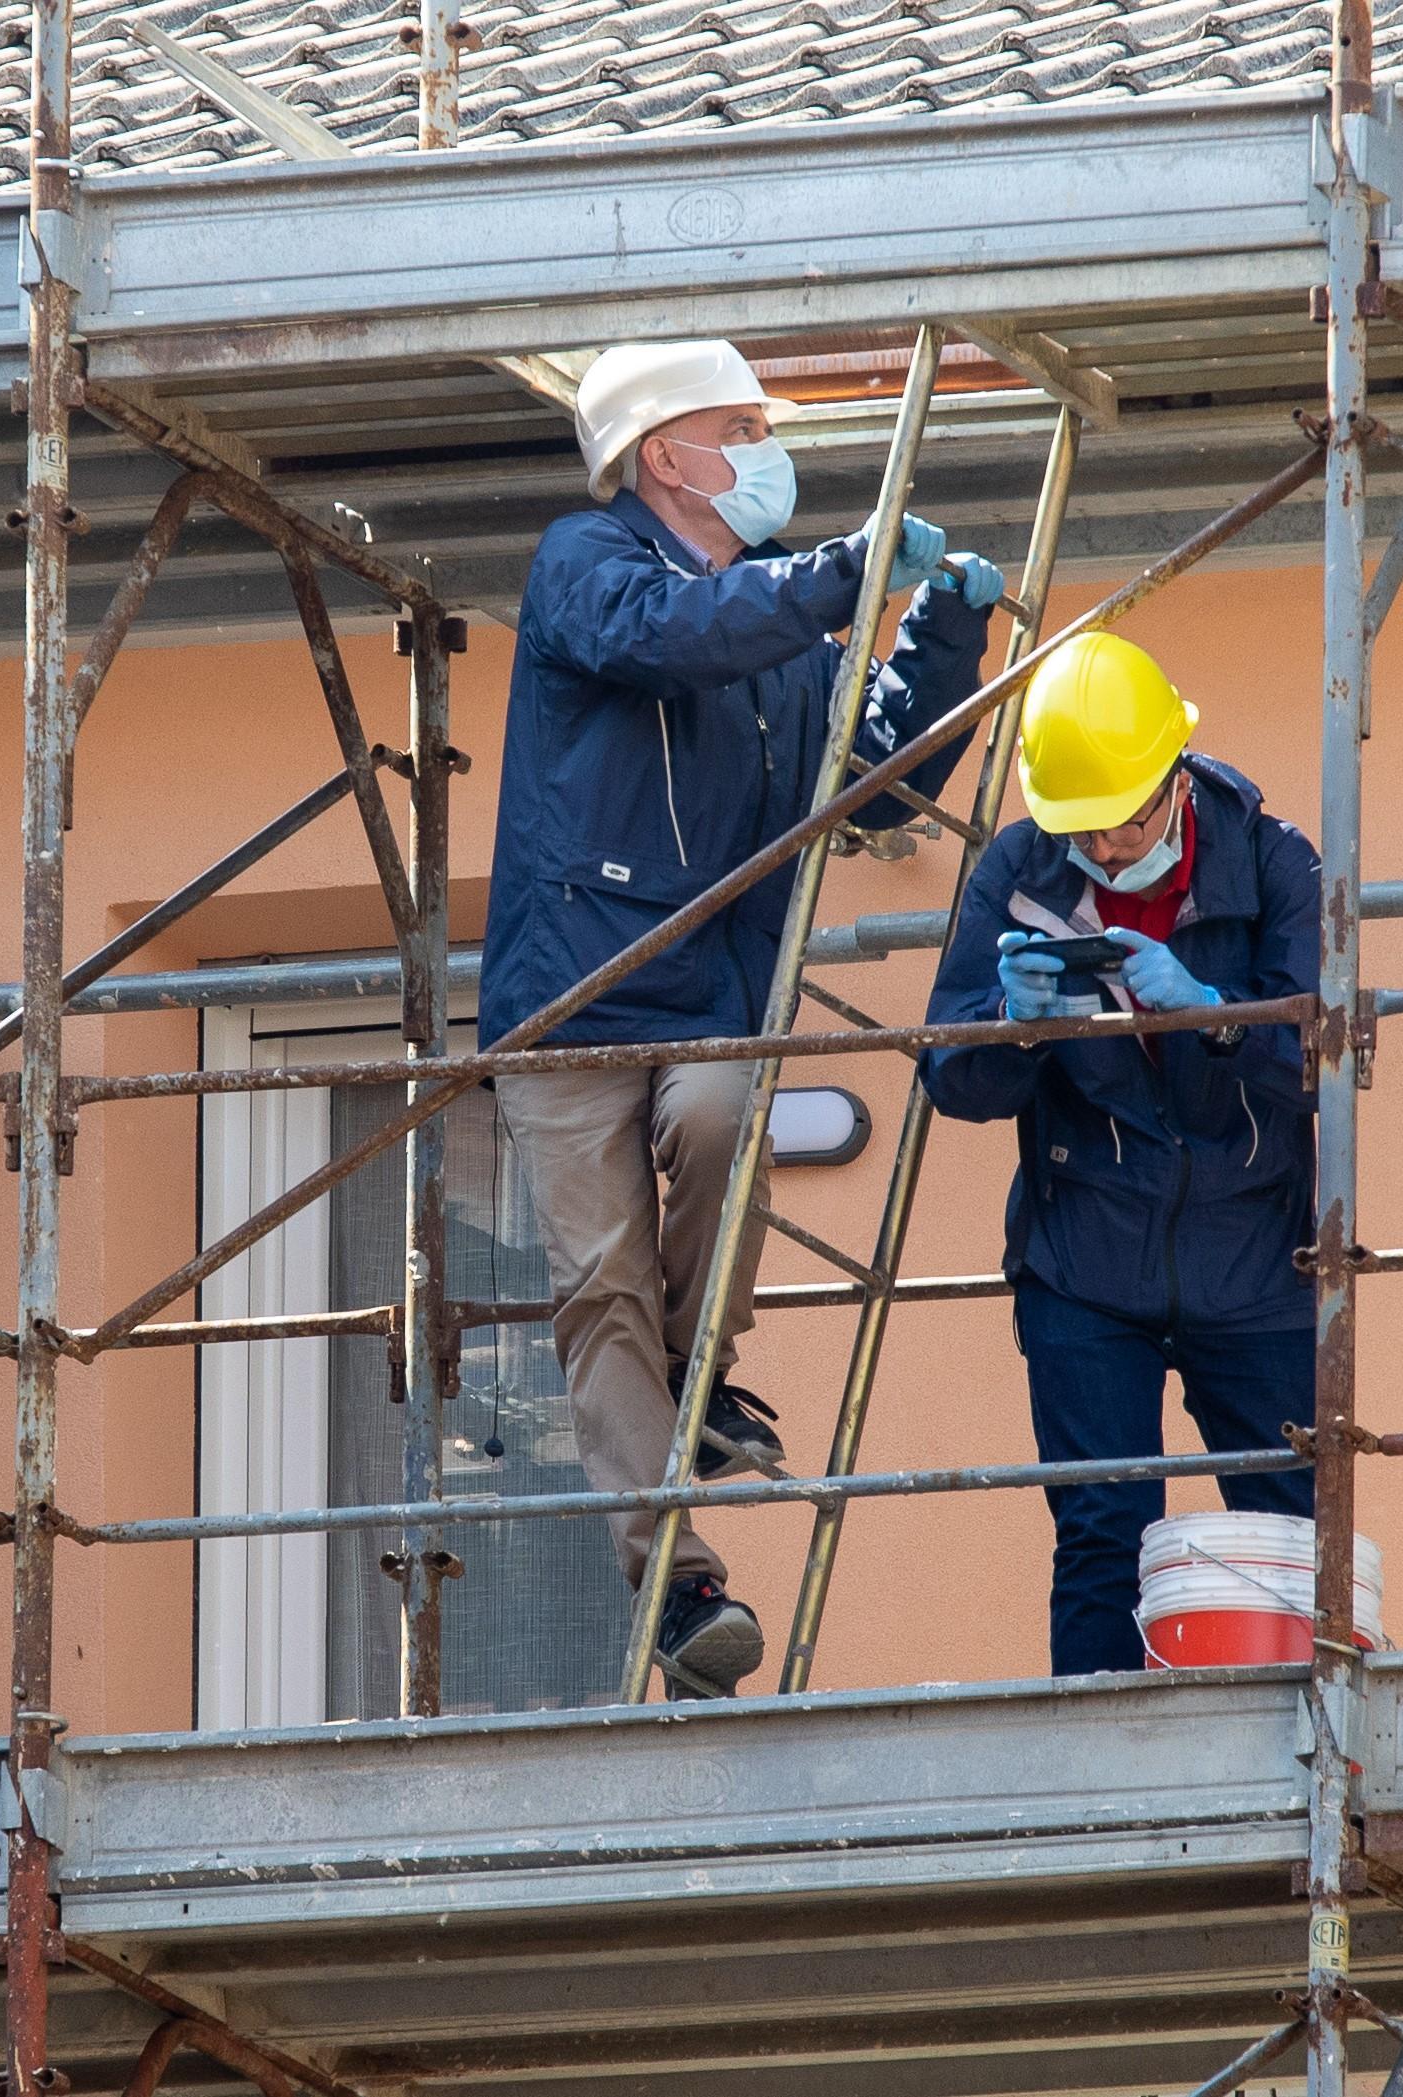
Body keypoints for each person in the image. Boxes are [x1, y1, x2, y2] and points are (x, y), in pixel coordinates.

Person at [480, 339, 1003, 1698]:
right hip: (571, 998)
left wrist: (939, 635)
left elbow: (872, 783)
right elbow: (663, 640)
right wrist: (835, 577)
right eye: (740, 425)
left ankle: (698, 1375)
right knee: (598, 1291)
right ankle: (675, 1581)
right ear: (664, 454)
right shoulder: (586, 563)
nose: (768, 447)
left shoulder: (781, 628)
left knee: (720, 1116)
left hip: (708, 987)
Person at [921, 632, 1322, 1676]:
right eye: (1079, 832)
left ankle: (1299, 1757)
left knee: (1292, 1528)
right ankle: (1102, 1788)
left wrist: (1215, 1015)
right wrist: (1017, 1022)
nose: (1101, 850)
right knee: (1102, 1534)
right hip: (1084, 1260)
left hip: (1256, 1255)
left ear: (1174, 778)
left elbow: (1319, 1065)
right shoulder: (1017, 868)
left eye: (1121, 825)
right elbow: (950, 1081)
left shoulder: (1277, 861)